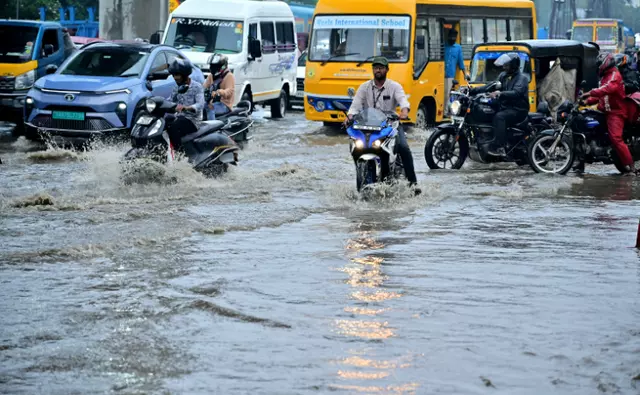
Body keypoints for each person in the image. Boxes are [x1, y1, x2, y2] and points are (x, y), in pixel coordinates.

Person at [345, 56, 420, 194]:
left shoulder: (394, 86)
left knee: (404, 148)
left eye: (381, 68)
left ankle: (413, 184)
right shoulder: (364, 87)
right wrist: (350, 117)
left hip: (391, 126)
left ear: (387, 70)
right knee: (356, 148)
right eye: (375, 68)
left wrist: (403, 112)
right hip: (368, 128)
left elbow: (404, 102)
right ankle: (360, 186)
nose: (378, 70)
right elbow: (355, 107)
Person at [582, 52, 636, 175]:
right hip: (605, 111)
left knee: (615, 138)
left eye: (599, 64)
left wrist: (590, 93)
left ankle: (631, 166)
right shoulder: (605, 77)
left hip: (616, 112)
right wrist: (586, 102)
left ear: (605, 63)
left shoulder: (614, 75)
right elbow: (602, 96)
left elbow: (607, 89)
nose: (598, 66)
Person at [471, 53, 528, 157]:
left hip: (518, 109)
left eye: (507, 65)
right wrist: (472, 90)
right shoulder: (503, 76)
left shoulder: (522, 78)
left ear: (514, 65)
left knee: (499, 117)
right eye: (504, 65)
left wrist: (500, 94)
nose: (504, 67)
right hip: (505, 107)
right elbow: (491, 85)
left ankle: (499, 147)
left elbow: (517, 93)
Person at [166, 58, 205, 150]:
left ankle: (179, 153)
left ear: (184, 74)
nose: (175, 77)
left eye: (177, 75)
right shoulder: (176, 88)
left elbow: (200, 104)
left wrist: (187, 108)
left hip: (193, 120)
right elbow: (170, 100)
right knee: (164, 122)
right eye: (174, 75)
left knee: (173, 126)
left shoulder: (197, 87)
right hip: (179, 117)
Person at [203, 53, 235, 120]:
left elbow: (229, 91)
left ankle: (212, 127)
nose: (212, 68)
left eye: (215, 66)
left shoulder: (229, 76)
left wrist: (219, 92)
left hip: (224, 104)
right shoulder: (211, 76)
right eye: (211, 66)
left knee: (209, 108)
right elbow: (204, 87)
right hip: (211, 102)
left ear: (222, 66)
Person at [444, 29, 468, 116]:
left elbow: (461, 62)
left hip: (450, 75)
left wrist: (465, 74)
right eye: (451, 36)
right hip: (439, 74)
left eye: (454, 37)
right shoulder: (443, 46)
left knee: (447, 94)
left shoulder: (458, 48)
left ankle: (446, 112)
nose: (452, 38)